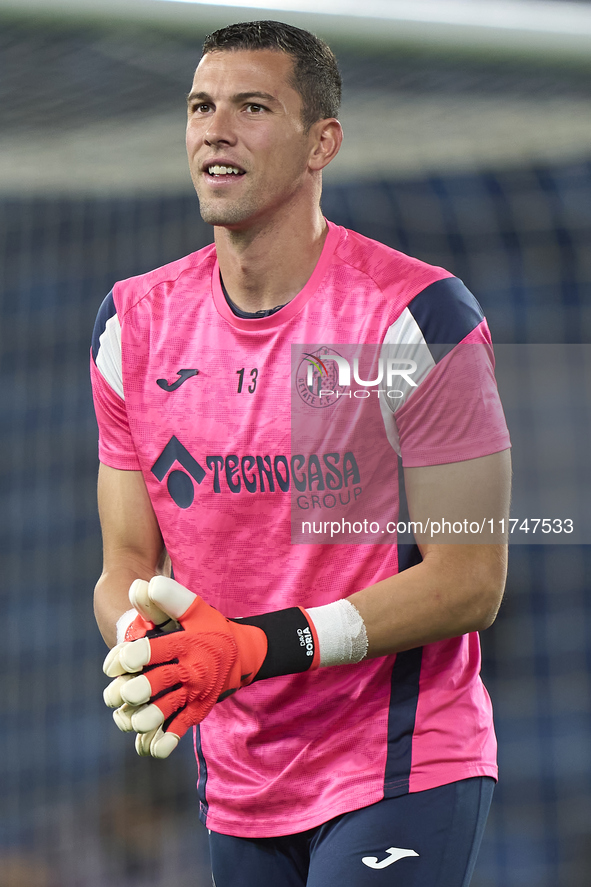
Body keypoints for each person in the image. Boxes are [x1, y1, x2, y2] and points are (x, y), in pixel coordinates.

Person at [91, 20, 511, 887]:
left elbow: (470, 578)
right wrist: (151, 646)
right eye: (201, 106)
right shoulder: (130, 325)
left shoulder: (414, 317)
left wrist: (253, 646)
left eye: (252, 106)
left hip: (397, 763)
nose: (215, 128)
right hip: (238, 779)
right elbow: (126, 562)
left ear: (322, 142)